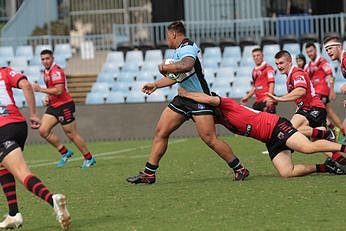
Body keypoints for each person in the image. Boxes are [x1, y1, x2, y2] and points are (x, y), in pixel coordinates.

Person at [126, 21, 249, 184]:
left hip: (200, 98)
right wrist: (155, 84)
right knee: (161, 132)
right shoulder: (178, 51)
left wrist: (163, 66)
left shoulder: (188, 47)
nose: (166, 39)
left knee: (210, 139)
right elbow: (176, 77)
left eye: (167, 36)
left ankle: (239, 168)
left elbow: (186, 65)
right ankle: (149, 174)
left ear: (173, 34)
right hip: (183, 98)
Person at [178, 88, 346, 177]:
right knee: (287, 172)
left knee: (307, 148)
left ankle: (341, 147)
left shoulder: (225, 104)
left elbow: (209, 99)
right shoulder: (220, 118)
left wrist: (186, 94)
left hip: (276, 126)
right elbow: (201, 120)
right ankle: (328, 167)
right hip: (270, 140)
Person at [0, 66, 70, 229]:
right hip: (18, 125)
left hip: (2, 129)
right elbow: (25, 84)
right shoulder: (4, 71)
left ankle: (53, 200)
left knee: (21, 172)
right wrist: (32, 113)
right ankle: (13, 214)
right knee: (2, 166)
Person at [266, 50, 346, 164]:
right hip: (313, 108)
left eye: (282, 63)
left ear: (289, 62)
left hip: (312, 107)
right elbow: (300, 97)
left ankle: (326, 133)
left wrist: (279, 98)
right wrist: (298, 109)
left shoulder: (296, 73)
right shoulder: (290, 75)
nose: (279, 66)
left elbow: (301, 91)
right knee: (317, 142)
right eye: (277, 64)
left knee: (290, 130)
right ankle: (342, 161)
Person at [32, 49, 96, 168]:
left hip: (64, 105)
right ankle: (65, 152)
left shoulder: (56, 71)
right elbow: (52, 89)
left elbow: (59, 90)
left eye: (47, 58)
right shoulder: (46, 72)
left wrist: (40, 89)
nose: (45, 61)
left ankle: (89, 158)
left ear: (52, 58)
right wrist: (47, 97)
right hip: (54, 105)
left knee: (71, 134)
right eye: (43, 59)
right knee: (43, 130)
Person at [305, 42, 345, 140]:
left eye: (311, 51)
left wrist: (331, 90)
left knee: (316, 112)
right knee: (329, 112)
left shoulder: (323, 62)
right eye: (308, 52)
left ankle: (331, 131)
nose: (310, 53)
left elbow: (329, 75)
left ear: (315, 50)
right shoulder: (309, 66)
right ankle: (341, 131)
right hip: (316, 94)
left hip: (322, 92)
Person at [240, 47, 276, 113]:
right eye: (254, 56)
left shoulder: (268, 68)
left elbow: (272, 83)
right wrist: (247, 97)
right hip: (258, 102)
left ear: (262, 55)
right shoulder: (254, 70)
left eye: (258, 55)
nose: (256, 57)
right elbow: (254, 87)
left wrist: (269, 97)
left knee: (268, 122)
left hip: (266, 101)